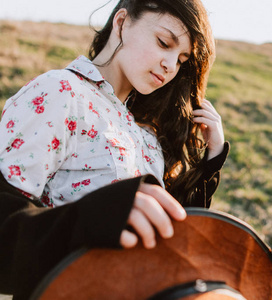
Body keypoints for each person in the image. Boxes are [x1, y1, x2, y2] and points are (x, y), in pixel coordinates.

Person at [0, 0, 229, 299]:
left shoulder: (145, 133)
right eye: (164, 42)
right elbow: (6, 226)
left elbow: (174, 238)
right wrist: (98, 216)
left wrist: (212, 160)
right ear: (121, 22)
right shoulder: (61, 92)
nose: (170, 65)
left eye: (182, 59)